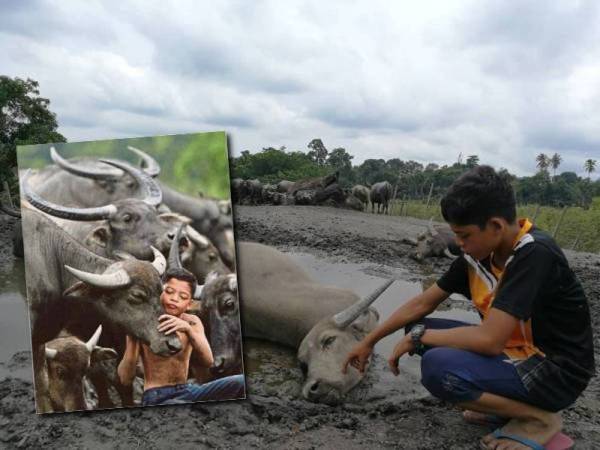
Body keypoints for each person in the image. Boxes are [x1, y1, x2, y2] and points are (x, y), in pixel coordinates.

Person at [343, 165, 594, 450]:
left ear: (497, 226)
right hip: (518, 348)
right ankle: (503, 406)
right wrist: (369, 341)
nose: (460, 244)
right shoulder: (478, 255)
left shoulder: (534, 254)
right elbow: (423, 302)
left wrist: (419, 337)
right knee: (416, 326)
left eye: (464, 235)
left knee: (438, 367)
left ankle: (538, 418)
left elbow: (489, 341)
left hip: (555, 371)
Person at [118, 267, 245, 406]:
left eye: (183, 296)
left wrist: (188, 330)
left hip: (187, 391)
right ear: (160, 293)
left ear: (190, 304)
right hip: (157, 396)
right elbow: (125, 379)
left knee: (242, 382)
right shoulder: (143, 324)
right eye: (169, 292)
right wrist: (132, 339)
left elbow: (208, 361)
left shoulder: (192, 322)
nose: (174, 299)